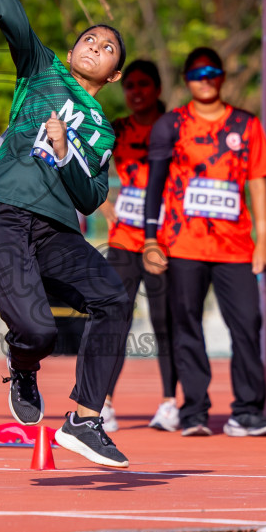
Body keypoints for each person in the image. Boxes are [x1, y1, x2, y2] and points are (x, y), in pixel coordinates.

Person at [0, 0, 132, 468]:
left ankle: (84, 418)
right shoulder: (41, 69)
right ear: (72, 48)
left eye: (107, 48)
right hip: (1, 214)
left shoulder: (102, 128)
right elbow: (11, 17)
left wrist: (67, 147)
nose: (95, 46)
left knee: (114, 298)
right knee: (37, 330)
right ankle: (23, 367)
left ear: (114, 73)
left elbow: (92, 194)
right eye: (89, 38)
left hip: (55, 229)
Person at [143, 47, 266, 437]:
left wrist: (263, 241)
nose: (205, 79)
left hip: (236, 247)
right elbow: (155, 185)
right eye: (197, 73)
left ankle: (249, 411)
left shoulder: (246, 124)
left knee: (248, 323)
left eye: (212, 71)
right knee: (186, 324)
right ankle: (195, 411)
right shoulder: (172, 124)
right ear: (186, 79)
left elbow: (258, 182)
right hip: (184, 244)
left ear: (222, 76)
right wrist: (151, 239)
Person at [98, 60, 178, 433]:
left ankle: (169, 403)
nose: (136, 92)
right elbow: (80, 165)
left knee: (165, 321)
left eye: (144, 84)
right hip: (125, 239)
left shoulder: (176, 127)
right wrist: (103, 205)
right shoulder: (116, 130)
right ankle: (104, 405)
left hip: (166, 240)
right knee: (115, 319)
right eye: (129, 86)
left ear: (158, 89)